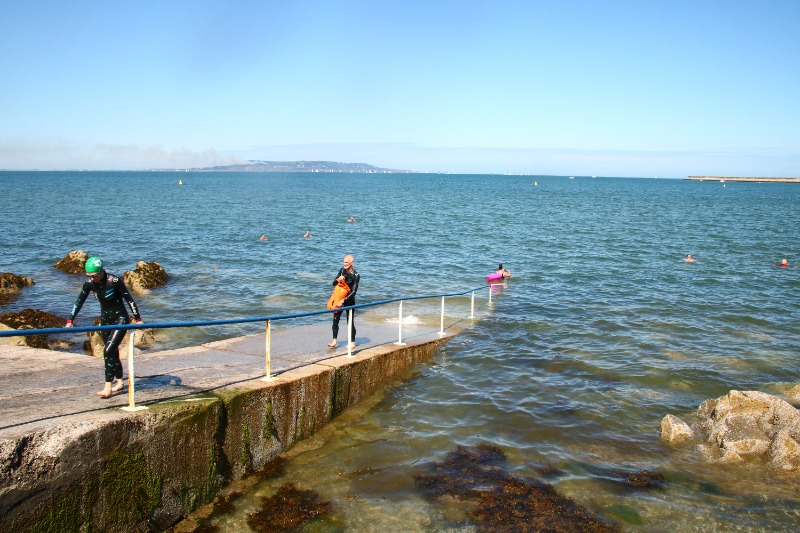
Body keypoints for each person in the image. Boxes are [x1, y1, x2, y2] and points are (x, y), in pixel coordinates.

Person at [65, 257, 143, 398]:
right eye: (89, 276)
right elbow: (79, 301)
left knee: (107, 351)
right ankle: (120, 382)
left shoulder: (114, 281)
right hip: (105, 320)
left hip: (120, 319)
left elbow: (129, 299)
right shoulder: (89, 284)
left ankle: (107, 386)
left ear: (101, 271)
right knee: (113, 353)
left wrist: (138, 319)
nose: (92, 279)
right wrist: (70, 320)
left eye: (94, 276)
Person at [328, 254, 359, 349]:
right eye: (344, 262)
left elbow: (354, 292)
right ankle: (334, 341)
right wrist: (338, 280)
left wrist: (344, 300)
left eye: (346, 262)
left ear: (351, 263)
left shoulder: (355, 275)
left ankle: (352, 342)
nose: (344, 264)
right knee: (335, 319)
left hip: (349, 301)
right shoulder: (341, 270)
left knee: (350, 321)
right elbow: (333, 284)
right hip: (339, 299)